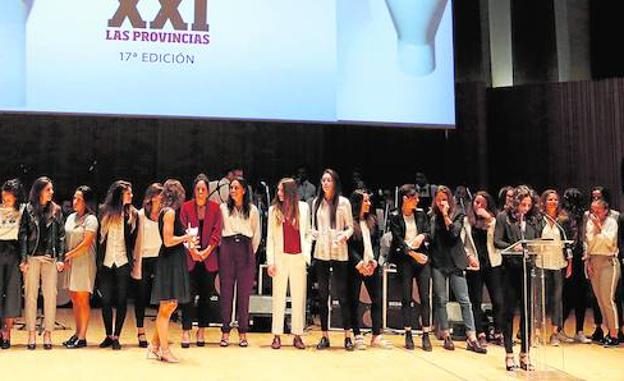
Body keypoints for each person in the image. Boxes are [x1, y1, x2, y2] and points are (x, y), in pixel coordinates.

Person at [429, 185, 486, 354]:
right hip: (438, 261)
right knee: (441, 299)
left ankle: (472, 337)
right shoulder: (431, 216)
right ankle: (446, 334)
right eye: (438, 199)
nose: (441, 202)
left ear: (450, 200)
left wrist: (446, 215)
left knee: (464, 300)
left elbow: (454, 234)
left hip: (455, 261)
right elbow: (430, 237)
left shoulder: (459, 214)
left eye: (444, 199)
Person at [494, 185, 541, 371]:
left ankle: (525, 353)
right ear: (515, 203)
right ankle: (508, 353)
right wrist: (514, 247)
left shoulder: (533, 219)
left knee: (527, 313)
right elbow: (497, 241)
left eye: (529, 205)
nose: (525, 208)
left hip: (527, 270)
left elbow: (536, 241)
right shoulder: (503, 218)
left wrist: (532, 249)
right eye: (522, 204)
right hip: (509, 271)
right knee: (508, 312)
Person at [147, 179, 194, 363]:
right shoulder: (169, 213)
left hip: (173, 259)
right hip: (169, 260)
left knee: (170, 305)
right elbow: (167, 241)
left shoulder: (169, 212)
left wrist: (187, 240)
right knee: (167, 306)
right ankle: (164, 350)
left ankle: (154, 345)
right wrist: (186, 237)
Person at [19, 176, 65, 350]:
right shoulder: (28, 209)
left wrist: (60, 258)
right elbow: (23, 235)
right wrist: (23, 259)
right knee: (30, 296)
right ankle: (31, 333)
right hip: (32, 257)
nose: (51, 192)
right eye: (48, 189)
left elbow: (61, 236)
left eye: (51, 189)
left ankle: (48, 333)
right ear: (39, 191)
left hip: (50, 258)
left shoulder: (57, 210)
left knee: (50, 296)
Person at [312, 169, 355, 350]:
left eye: (329, 180)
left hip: (339, 252)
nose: (325, 183)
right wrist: (313, 233)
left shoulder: (344, 203)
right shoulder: (316, 202)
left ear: (335, 183)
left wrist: (344, 235)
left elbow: (351, 227)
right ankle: (324, 335)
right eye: (323, 180)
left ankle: (347, 335)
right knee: (323, 296)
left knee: (343, 295)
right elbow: (313, 227)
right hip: (321, 252)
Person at [266, 178, 311, 350]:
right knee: (278, 296)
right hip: (280, 257)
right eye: (278, 190)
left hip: (298, 257)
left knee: (299, 297)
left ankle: (297, 334)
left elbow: (307, 234)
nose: (279, 193)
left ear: (290, 191)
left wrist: (306, 255)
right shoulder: (274, 210)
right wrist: (271, 262)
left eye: (281, 190)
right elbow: (270, 238)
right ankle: (276, 334)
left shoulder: (304, 208)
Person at [179, 174, 222, 348]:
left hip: (209, 258)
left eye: (203, 189)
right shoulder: (186, 207)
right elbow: (183, 230)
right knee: (188, 296)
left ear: (208, 191)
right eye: (198, 189)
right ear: (194, 190)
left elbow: (217, 233)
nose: (201, 192)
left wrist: (206, 252)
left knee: (205, 296)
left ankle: (201, 330)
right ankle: (186, 331)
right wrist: (194, 252)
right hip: (190, 258)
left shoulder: (215, 208)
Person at [388, 184, 432, 351]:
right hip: (405, 259)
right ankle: (407, 332)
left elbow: (429, 232)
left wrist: (422, 235)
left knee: (424, 297)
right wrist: (414, 255)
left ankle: (426, 333)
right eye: (415, 198)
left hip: (422, 258)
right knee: (406, 297)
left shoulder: (420, 215)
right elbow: (399, 241)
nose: (418, 201)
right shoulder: (395, 217)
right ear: (406, 199)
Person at [218, 177, 260, 347]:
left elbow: (256, 234)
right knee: (226, 292)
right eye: (231, 188)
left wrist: (250, 252)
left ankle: (243, 332)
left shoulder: (253, 210)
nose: (233, 191)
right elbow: (219, 231)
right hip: (227, 248)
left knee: (244, 294)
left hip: (245, 248)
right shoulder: (223, 208)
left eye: (236, 187)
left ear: (244, 190)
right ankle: (225, 331)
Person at [97, 180, 138, 350]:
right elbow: (99, 239)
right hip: (106, 262)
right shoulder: (104, 211)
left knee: (122, 300)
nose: (131, 195)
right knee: (105, 299)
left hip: (123, 261)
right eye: (128, 193)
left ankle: (117, 336)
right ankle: (108, 334)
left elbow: (134, 240)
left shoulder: (133, 214)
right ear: (119, 194)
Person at [462, 191, 504, 347]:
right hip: (475, 265)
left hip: (492, 263)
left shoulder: (495, 220)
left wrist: (488, 218)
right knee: (476, 301)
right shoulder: (467, 221)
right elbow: (463, 243)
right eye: (475, 202)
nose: (477, 205)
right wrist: (468, 257)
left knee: (498, 300)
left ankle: (498, 332)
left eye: (481, 203)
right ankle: (479, 333)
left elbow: (498, 238)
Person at [347, 189, 386, 349]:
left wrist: (375, 261)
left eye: (369, 200)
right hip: (356, 266)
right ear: (357, 203)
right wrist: (359, 263)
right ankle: (356, 335)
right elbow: (349, 246)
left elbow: (377, 243)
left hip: (371, 265)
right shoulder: (349, 222)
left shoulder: (373, 220)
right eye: (365, 201)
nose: (369, 203)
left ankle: (376, 335)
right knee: (354, 301)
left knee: (377, 299)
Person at [62, 186, 98, 349]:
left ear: (86, 202)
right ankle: (76, 333)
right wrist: (66, 256)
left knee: (83, 299)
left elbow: (86, 243)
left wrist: (69, 255)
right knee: (74, 299)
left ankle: (82, 336)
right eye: (74, 198)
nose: (74, 201)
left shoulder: (91, 219)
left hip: (84, 262)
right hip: (71, 262)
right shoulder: (70, 217)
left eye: (79, 199)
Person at [538, 190, 574, 346]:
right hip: (541, 263)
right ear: (544, 202)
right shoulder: (538, 220)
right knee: (540, 299)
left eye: (555, 200)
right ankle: (538, 332)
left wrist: (570, 264)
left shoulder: (563, 220)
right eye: (550, 199)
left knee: (557, 300)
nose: (553, 202)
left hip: (558, 263)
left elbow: (568, 244)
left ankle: (554, 333)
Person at [131, 183, 164, 348]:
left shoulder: (165, 214)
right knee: (141, 297)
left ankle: (159, 333)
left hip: (160, 258)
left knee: (160, 298)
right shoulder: (141, 214)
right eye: (159, 194)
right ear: (151, 196)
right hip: (143, 259)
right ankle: (140, 330)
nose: (161, 198)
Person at [586, 198, 620, 347]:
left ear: (605, 211)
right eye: (592, 210)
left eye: (598, 210)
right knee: (600, 300)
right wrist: (588, 261)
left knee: (608, 299)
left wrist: (599, 228)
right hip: (594, 261)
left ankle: (614, 334)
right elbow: (590, 243)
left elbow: (609, 242)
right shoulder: (589, 223)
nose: (594, 213)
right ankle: (608, 331)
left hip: (608, 262)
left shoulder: (612, 223)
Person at [561, 188, 592, 343]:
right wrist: (569, 261)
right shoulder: (563, 217)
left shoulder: (584, 216)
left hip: (581, 257)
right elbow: (567, 241)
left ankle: (579, 330)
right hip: (568, 258)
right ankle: (559, 328)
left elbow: (585, 238)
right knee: (567, 295)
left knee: (581, 296)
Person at [0, 179, 25, 349]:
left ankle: (7, 332)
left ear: (16, 197)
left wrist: (24, 258)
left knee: (12, 293)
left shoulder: (23, 210)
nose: (5, 201)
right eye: (3, 198)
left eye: (9, 199)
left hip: (14, 251)